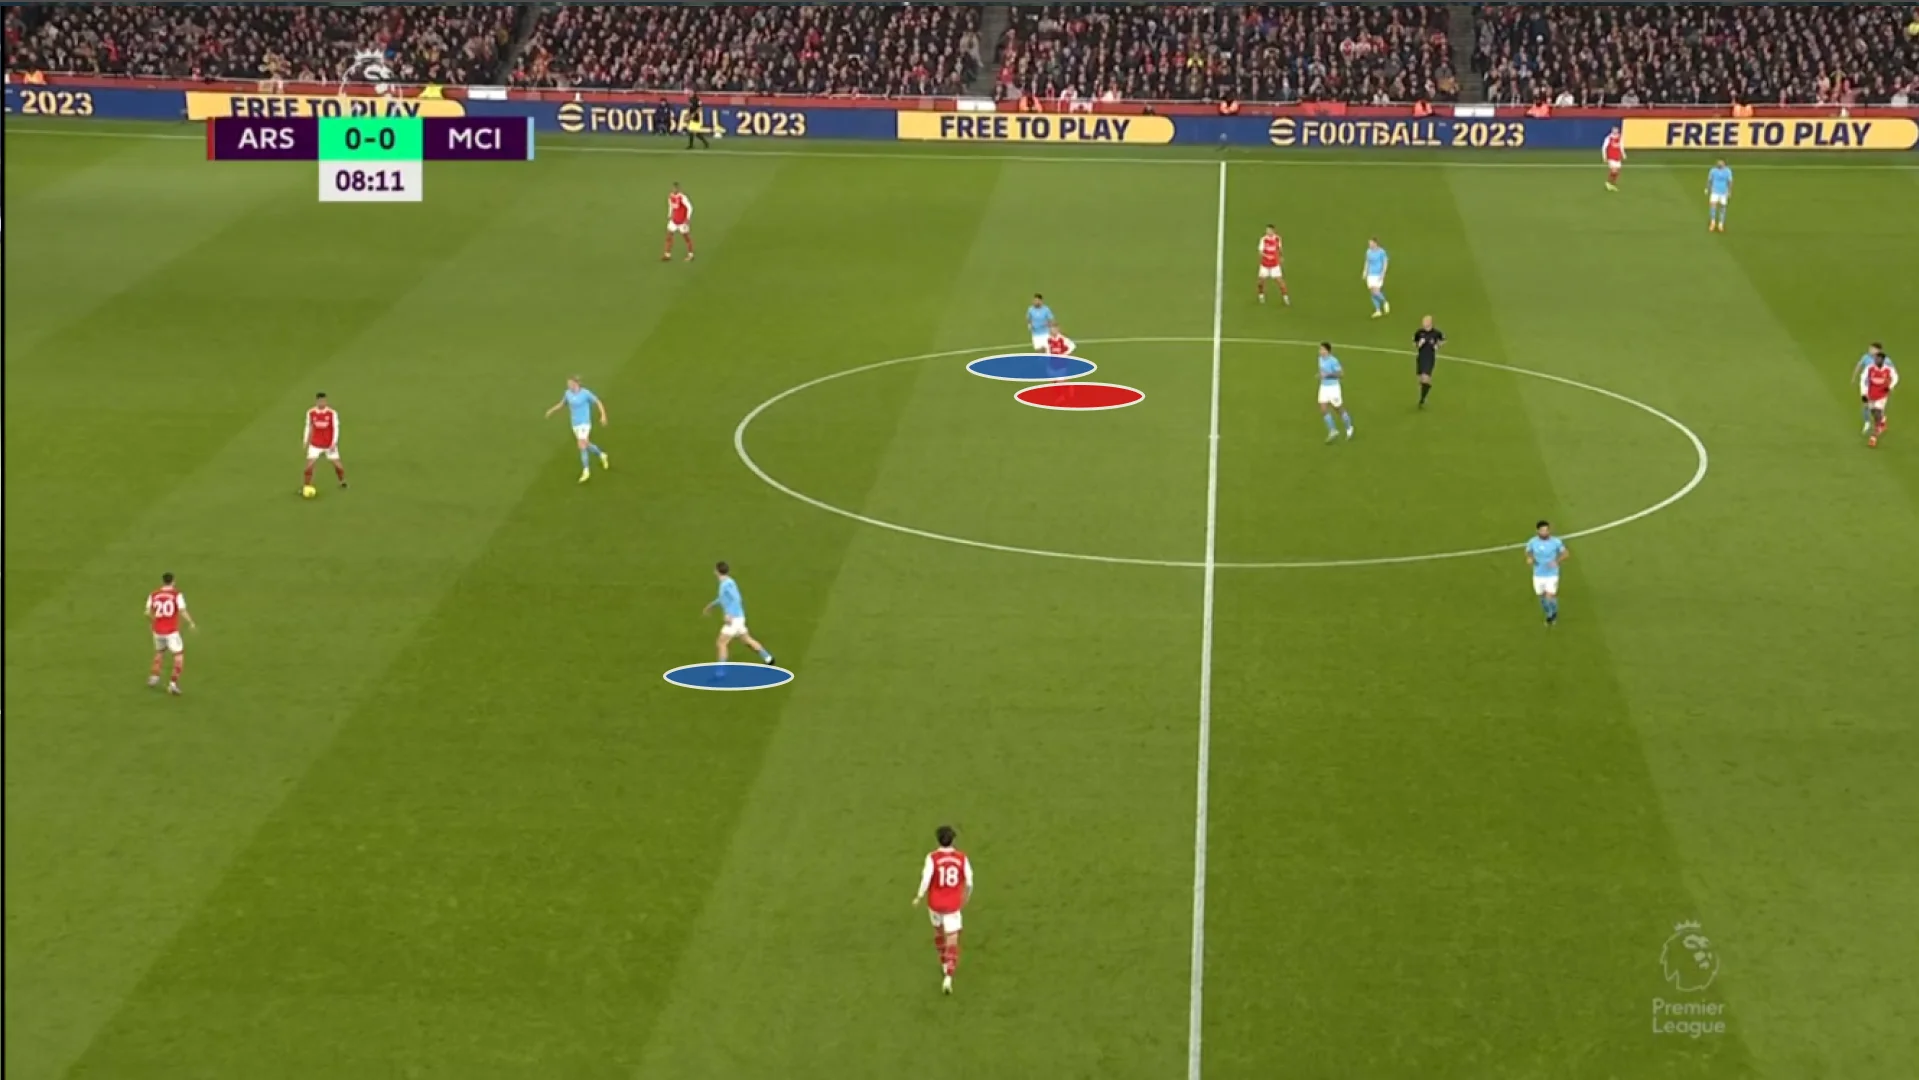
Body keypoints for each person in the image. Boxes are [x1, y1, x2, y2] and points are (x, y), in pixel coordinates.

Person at [913, 824, 974, 995]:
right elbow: (969, 881)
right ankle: (948, 976)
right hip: (952, 905)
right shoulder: (962, 858)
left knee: (939, 933)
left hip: (935, 904)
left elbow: (926, 879)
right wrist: (966, 896)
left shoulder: (932, 858)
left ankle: (943, 962)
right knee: (952, 939)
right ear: (953, 840)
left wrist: (919, 896)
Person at [702, 561, 775, 666]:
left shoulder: (727, 584)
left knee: (721, 642)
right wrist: (711, 605)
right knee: (746, 640)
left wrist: (729, 614)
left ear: (717, 571)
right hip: (738, 618)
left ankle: (720, 670)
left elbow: (736, 599)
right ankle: (768, 658)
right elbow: (723, 598)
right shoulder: (727, 582)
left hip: (734, 619)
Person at [544, 377, 610, 483]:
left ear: (576, 383)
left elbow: (598, 402)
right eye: (568, 384)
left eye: (570, 383)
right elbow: (562, 404)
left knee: (581, 445)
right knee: (586, 444)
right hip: (575, 424)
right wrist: (551, 410)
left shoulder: (585, 393)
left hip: (585, 423)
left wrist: (603, 415)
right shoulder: (567, 393)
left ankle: (586, 470)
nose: (568, 385)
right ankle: (602, 455)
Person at [146, 572, 197, 694]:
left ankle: (154, 677)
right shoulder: (176, 594)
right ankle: (173, 684)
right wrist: (191, 622)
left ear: (162, 581)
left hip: (158, 631)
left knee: (160, 652)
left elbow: (147, 612)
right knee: (178, 656)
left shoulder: (154, 594)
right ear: (173, 581)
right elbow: (182, 610)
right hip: (171, 632)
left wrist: (154, 621)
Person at [1525, 520, 1569, 626]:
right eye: (1542, 530)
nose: (1545, 532)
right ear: (1538, 531)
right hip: (1538, 574)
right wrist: (1530, 558)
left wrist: (1556, 561)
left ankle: (1553, 614)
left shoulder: (1556, 542)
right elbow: (1528, 552)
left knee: (1550, 596)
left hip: (1552, 574)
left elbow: (1565, 553)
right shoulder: (1532, 542)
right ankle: (1549, 612)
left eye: (1546, 530)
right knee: (1542, 597)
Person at [303, 392, 347, 492]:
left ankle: (342, 481)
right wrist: (306, 440)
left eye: (324, 401)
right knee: (308, 467)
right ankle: (306, 486)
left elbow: (336, 428)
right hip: (315, 444)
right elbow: (308, 426)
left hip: (329, 444)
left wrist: (334, 443)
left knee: (338, 467)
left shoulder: (332, 413)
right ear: (317, 401)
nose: (322, 403)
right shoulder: (311, 412)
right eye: (320, 401)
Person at [1317, 342, 1354, 442]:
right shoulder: (1320, 359)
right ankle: (1333, 430)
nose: (1320, 351)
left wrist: (1327, 375)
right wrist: (1320, 375)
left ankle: (1349, 427)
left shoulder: (1333, 361)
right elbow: (1322, 371)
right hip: (1323, 387)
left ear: (1328, 351)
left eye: (1322, 349)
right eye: (1320, 349)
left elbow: (1341, 374)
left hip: (1333, 388)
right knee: (1323, 409)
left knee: (1338, 409)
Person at [1861, 350, 1899, 447]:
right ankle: (1883, 420)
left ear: (1882, 360)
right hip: (1871, 394)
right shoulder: (1869, 368)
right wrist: (1863, 393)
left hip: (1882, 395)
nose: (1876, 360)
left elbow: (1895, 377)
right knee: (1873, 412)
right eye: (1875, 359)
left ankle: (1873, 437)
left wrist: (1890, 386)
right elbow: (1863, 379)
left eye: (1878, 359)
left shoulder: (1888, 369)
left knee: (1877, 413)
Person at [1413, 316, 1445, 407]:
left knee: (1425, 378)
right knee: (1421, 379)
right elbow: (1414, 343)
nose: (1423, 323)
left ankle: (1422, 398)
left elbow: (1443, 340)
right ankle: (1423, 395)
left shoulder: (1436, 333)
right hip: (1421, 357)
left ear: (1430, 323)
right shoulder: (1419, 332)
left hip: (1430, 357)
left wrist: (1437, 346)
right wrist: (1419, 344)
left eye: (1425, 322)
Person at [662, 182, 695, 262]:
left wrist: (688, 218)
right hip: (674, 220)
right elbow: (671, 206)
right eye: (673, 188)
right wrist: (669, 214)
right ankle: (667, 255)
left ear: (679, 189)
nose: (674, 190)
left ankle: (690, 255)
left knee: (686, 238)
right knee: (669, 236)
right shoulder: (670, 196)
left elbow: (690, 207)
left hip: (682, 221)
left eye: (676, 188)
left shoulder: (682, 197)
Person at [1257, 225, 1289, 306]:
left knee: (1280, 282)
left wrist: (1281, 256)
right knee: (1261, 282)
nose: (1267, 232)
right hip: (1265, 264)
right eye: (1267, 230)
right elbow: (1260, 252)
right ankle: (1261, 295)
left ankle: (1286, 298)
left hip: (1275, 265)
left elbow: (1279, 249)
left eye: (1269, 230)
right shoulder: (1263, 239)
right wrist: (1266, 256)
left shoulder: (1277, 239)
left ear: (1273, 231)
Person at [1363, 238, 1390, 318]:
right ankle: (1378, 311)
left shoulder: (1381, 252)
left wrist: (1383, 273)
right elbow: (1367, 262)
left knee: (1376, 291)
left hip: (1378, 274)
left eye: (1371, 243)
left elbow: (1385, 263)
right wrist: (1365, 271)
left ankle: (1385, 302)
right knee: (1372, 293)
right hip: (1370, 275)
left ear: (1375, 243)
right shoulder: (1368, 252)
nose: (1369, 244)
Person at [1705, 159, 1734, 232]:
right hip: (1714, 191)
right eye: (1719, 163)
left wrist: (1729, 191)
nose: (1720, 164)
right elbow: (1709, 180)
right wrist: (1707, 188)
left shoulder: (1728, 171)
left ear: (1724, 164)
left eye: (1721, 163)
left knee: (1722, 208)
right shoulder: (1713, 171)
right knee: (1713, 206)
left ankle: (1721, 224)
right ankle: (1713, 222)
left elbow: (1730, 181)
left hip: (1723, 192)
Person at [1603, 126, 1624, 191]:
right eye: (1614, 131)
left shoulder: (1620, 137)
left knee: (1617, 171)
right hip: (1611, 156)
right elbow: (1604, 147)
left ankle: (1612, 183)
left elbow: (1621, 146)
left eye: (1616, 131)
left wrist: (1623, 154)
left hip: (1617, 156)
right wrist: (1604, 156)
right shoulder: (1608, 138)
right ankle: (1608, 183)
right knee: (1613, 170)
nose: (1615, 132)